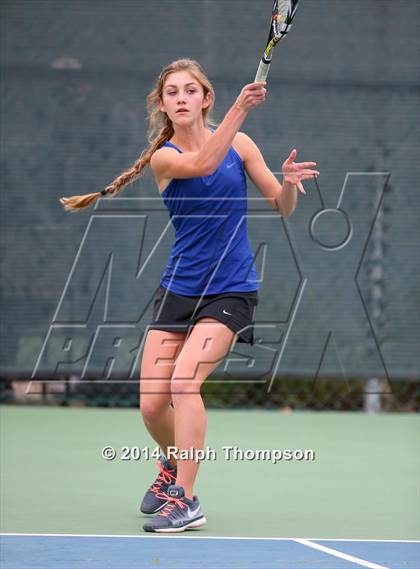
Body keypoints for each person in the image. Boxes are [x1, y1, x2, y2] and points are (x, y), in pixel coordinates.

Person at [59, 58, 319, 533]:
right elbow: (202, 164)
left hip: (232, 290)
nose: (180, 98)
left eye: (189, 90)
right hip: (178, 290)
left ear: (205, 99)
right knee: (153, 404)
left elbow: (281, 208)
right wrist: (242, 108)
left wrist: (287, 182)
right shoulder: (165, 157)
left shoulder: (240, 145)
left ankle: (186, 499)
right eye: (171, 92)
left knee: (184, 384)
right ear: (163, 105)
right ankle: (171, 469)